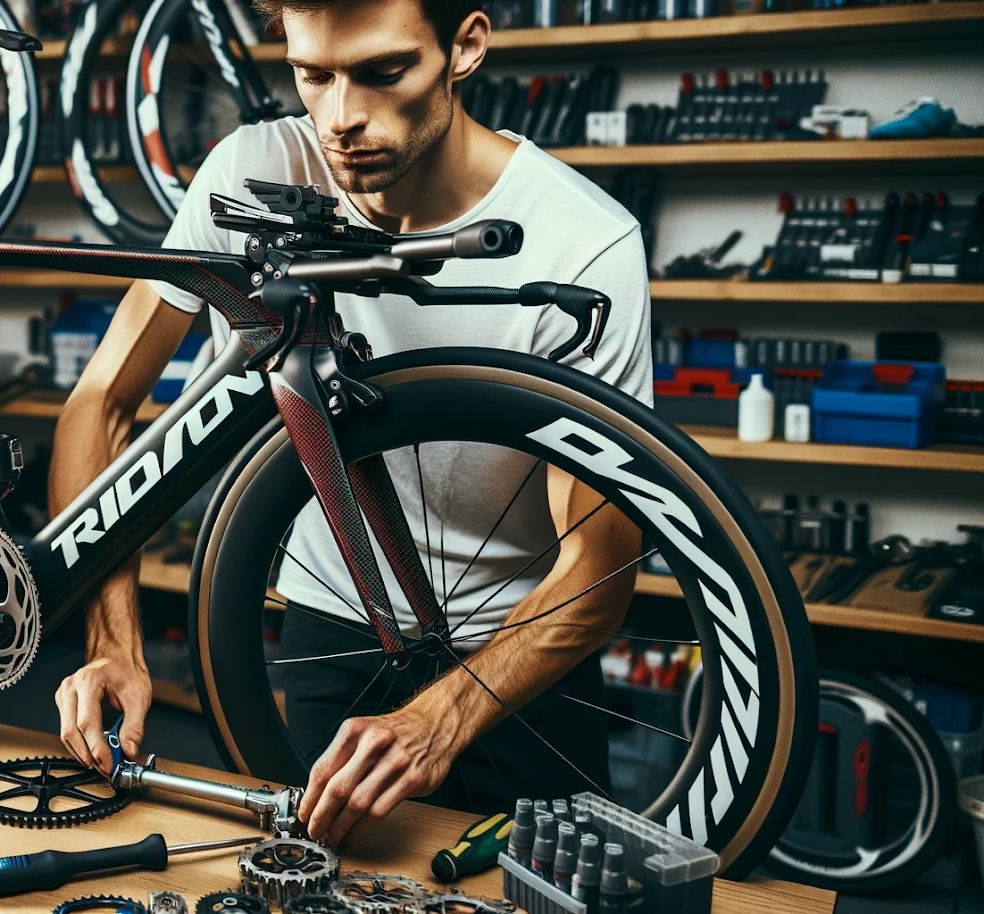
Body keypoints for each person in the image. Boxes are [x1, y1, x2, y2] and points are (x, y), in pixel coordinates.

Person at [50, 0, 651, 846]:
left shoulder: (580, 244)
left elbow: (600, 566)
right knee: (316, 883)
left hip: (519, 659)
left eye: (382, 72)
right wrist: (113, 639)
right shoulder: (248, 174)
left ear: (465, 46)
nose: (340, 119)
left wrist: (439, 718)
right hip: (330, 628)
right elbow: (101, 403)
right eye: (312, 75)